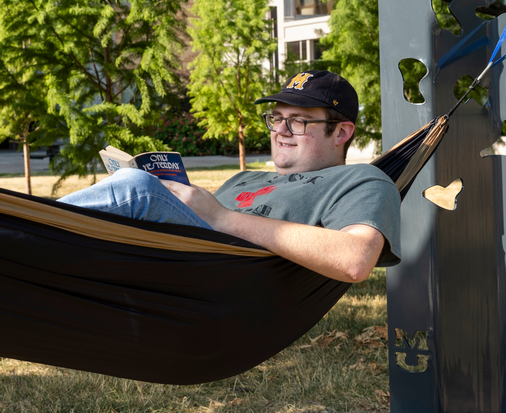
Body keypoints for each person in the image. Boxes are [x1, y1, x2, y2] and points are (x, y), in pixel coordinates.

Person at [58, 70, 400, 283]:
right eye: (276, 118)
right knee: (138, 185)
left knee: (137, 188)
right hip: (155, 261)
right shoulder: (244, 179)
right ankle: (29, 229)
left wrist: (222, 217)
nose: (280, 130)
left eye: (298, 121)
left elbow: (356, 260)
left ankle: (25, 225)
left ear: (341, 133)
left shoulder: (362, 180)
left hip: (219, 281)